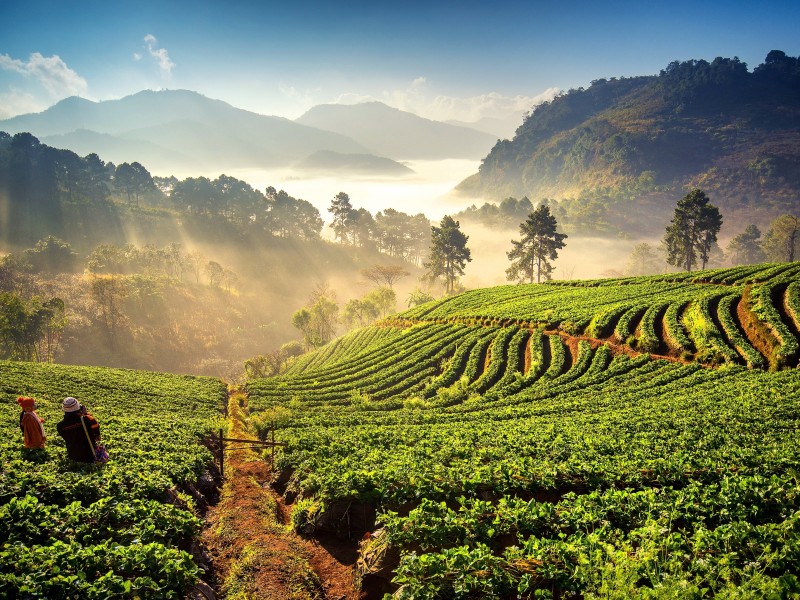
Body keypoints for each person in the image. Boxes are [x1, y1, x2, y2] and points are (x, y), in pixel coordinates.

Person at [56, 396, 101, 463]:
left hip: (73, 457)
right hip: (90, 456)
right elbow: (97, 437)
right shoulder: (88, 419)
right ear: (78, 407)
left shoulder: (60, 426)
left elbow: (68, 438)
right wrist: (85, 414)